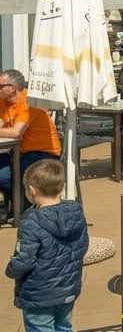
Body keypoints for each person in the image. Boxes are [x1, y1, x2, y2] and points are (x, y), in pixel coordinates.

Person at [5, 160, 93, 332]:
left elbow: (24, 260)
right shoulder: (76, 212)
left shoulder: (32, 222)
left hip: (39, 292)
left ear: (31, 190)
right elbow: (83, 247)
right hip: (68, 286)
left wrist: (11, 271)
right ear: (62, 188)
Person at [0, 71, 62, 224]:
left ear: (13, 87)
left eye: (1, 86)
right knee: (3, 174)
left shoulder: (30, 101)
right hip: (16, 151)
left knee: (24, 173)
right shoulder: (4, 101)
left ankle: (27, 213)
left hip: (43, 151)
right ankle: (16, 207)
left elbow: (16, 132)